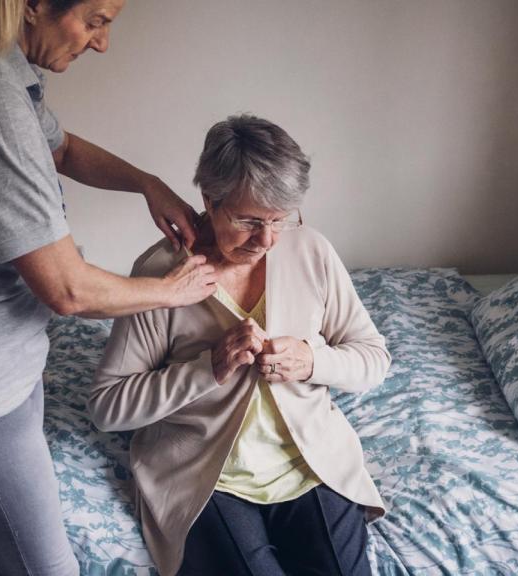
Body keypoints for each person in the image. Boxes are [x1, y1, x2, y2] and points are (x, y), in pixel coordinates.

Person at [0, 1, 217, 574]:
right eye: (95, 20)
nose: (102, 43)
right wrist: (172, 290)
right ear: (32, 6)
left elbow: (60, 148)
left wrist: (146, 183)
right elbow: (67, 290)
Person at [87, 114, 391, 576]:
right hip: (205, 475)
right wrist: (208, 367)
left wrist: (312, 360)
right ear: (209, 200)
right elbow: (108, 406)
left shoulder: (312, 251)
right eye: (248, 220)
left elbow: (373, 358)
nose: (266, 240)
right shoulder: (161, 274)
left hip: (310, 463)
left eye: (279, 220)